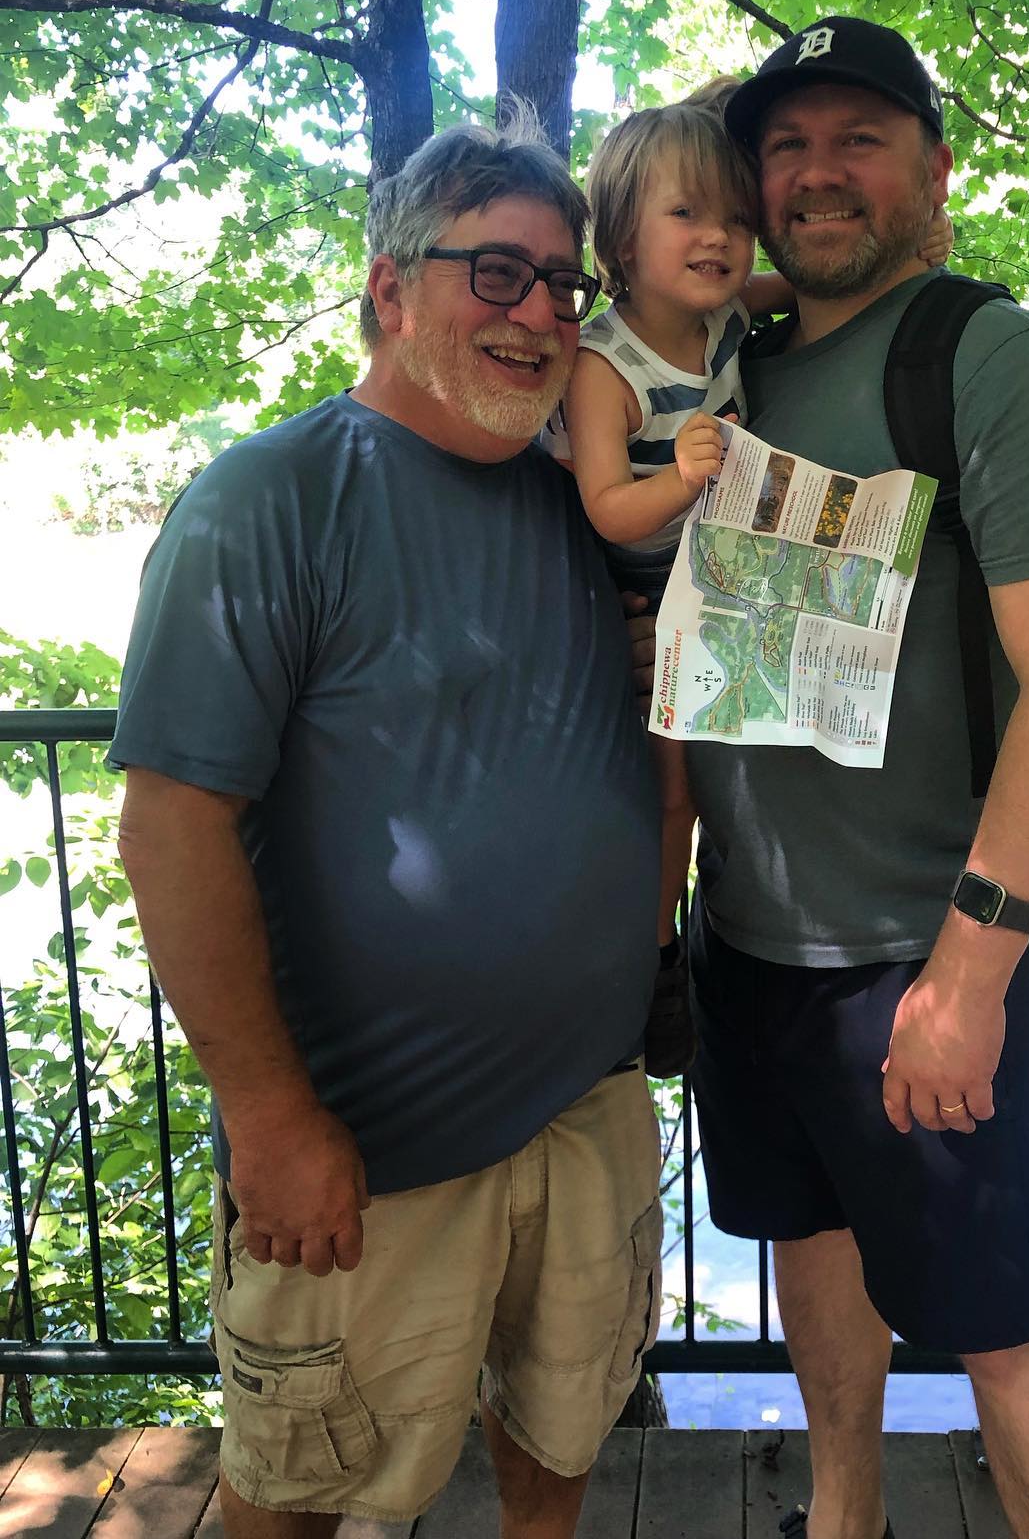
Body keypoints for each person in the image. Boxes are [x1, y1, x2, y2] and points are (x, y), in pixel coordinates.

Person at [110, 112, 664, 1539]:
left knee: (558, 1451)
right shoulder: (268, 502)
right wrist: (269, 1114)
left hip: (587, 1105)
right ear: (387, 290)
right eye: (496, 272)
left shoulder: (574, 514)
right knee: (295, 1496)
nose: (538, 312)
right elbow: (172, 827)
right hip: (369, 1145)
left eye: (562, 285)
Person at [684, 17, 1029, 1539]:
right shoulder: (730, 358)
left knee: (1000, 1321)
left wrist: (970, 971)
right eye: (789, 146)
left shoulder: (993, 360)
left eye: (859, 140)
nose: (819, 174)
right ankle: (844, 1515)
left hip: (922, 952)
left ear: (933, 172)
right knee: (807, 1242)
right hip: (750, 938)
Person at [550, 84, 951, 1074]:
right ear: (621, 242)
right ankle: (650, 962)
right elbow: (605, 505)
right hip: (640, 593)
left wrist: (914, 261)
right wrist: (679, 480)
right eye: (687, 214)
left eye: (735, 217)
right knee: (666, 792)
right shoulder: (605, 365)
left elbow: (809, 293)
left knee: (700, 787)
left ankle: (679, 944)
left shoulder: (728, 317)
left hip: (721, 584)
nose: (720, 239)